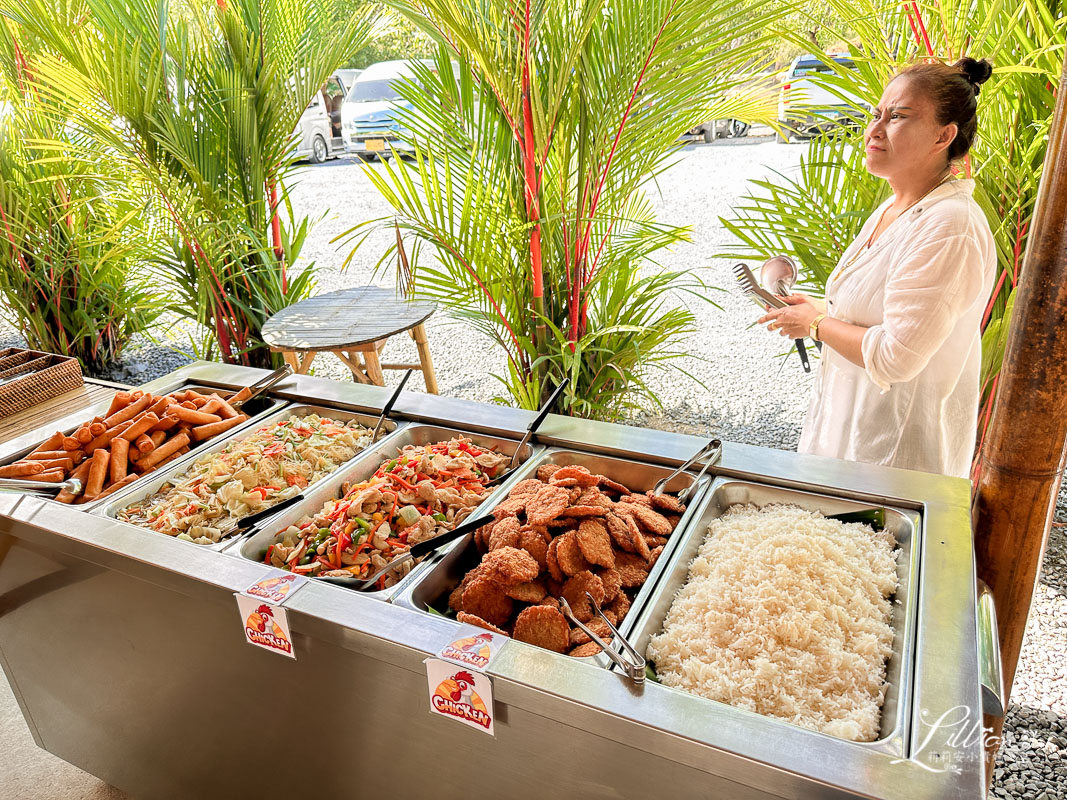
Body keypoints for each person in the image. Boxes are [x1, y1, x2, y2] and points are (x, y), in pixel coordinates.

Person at [759, 57, 996, 479]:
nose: (875, 129)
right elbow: (879, 314)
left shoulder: (950, 225)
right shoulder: (896, 207)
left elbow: (896, 356)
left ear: (944, 136)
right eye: (876, 114)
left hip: (896, 459)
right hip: (848, 438)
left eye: (898, 116)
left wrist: (815, 326)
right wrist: (817, 310)